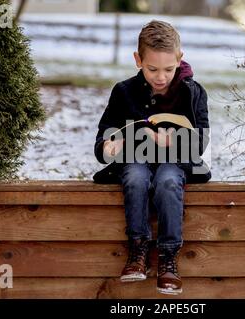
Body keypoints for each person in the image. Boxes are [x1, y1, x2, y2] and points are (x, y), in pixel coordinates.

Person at [93, 20, 211, 295]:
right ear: (138, 60)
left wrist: (171, 140)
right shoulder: (123, 91)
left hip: (175, 161)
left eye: (169, 69)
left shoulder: (193, 93)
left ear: (179, 60)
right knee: (134, 177)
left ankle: (168, 258)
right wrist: (108, 147)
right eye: (152, 69)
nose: (161, 77)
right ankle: (138, 250)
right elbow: (104, 136)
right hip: (135, 159)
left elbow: (201, 140)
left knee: (168, 182)